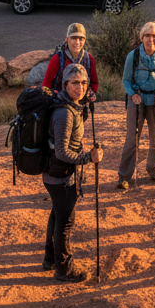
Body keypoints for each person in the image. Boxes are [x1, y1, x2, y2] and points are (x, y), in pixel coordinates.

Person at [42, 62, 103, 283]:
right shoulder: (65, 114)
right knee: (65, 223)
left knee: (57, 215)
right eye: (75, 83)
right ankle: (64, 270)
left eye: (84, 83)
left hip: (56, 174)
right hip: (60, 175)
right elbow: (61, 152)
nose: (81, 87)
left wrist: (84, 102)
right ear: (65, 84)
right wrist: (87, 158)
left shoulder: (70, 105)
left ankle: (50, 259)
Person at [117, 21, 155, 190]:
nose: (151, 39)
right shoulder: (133, 56)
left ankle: (153, 171)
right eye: (147, 35)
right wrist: (133, 94)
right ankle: (124, 176)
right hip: (137, 100)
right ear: (142, 37)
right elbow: (126, 79)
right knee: (132, 140)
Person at [43, 23, 99, 100]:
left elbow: (94, 83)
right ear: (67, 39)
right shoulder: (58, 58)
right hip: (60, 102)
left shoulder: (89, 58)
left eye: (81, 38)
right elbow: (46, 85)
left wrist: (90, 93)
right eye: (73, 38)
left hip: (82, 101)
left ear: (85, 40)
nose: (77, 42)